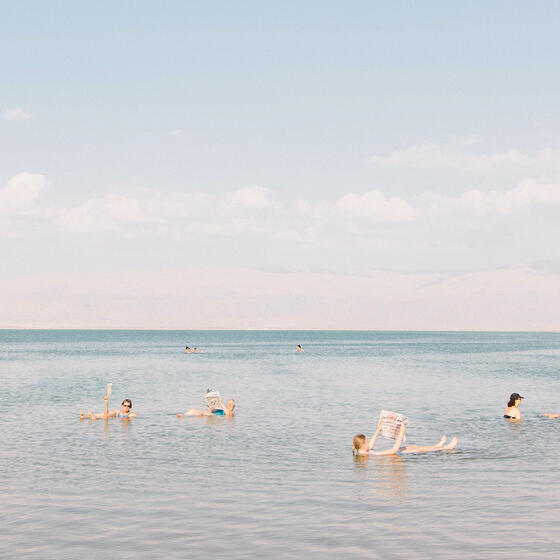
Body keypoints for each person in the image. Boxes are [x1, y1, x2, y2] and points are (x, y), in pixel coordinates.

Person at [352, 421, 457, 456]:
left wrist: (377, 430)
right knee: (419, 449)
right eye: (367, 441)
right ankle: (447, 448)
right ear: (363, 445)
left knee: (412, 446)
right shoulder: (372, 454)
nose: (369, 442)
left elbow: (371, 445)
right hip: (395, 455)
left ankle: (437, 446)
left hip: (397, 453)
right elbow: (393, 451)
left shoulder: (362, 451)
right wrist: (401, 434)